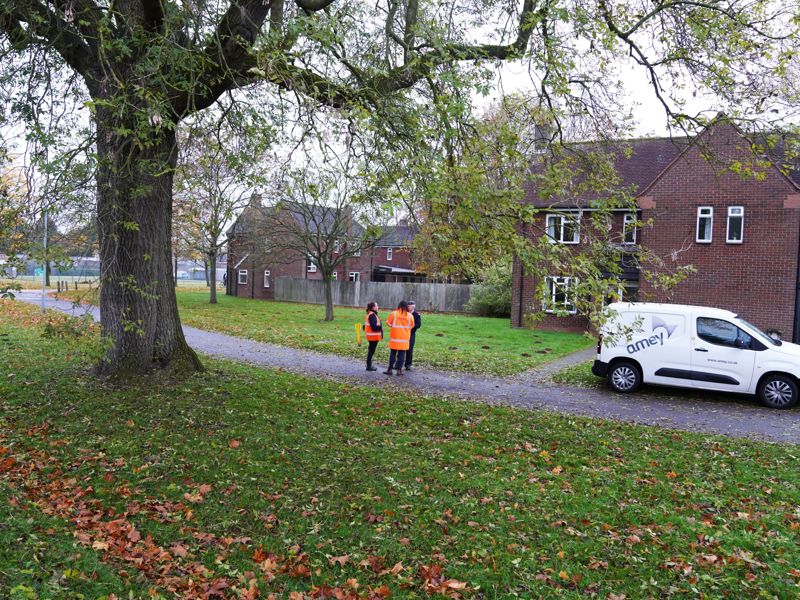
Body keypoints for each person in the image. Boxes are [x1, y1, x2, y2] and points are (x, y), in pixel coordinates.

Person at [384, 300, 414, 376]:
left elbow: (388, 323)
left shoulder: (393, 314)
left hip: (395, 338)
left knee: (393, 354)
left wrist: (392, 326)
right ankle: (399, 371)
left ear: (399, 305)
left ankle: (390, 370)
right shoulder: (410, 315)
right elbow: (412, 326)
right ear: (406, 306)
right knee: (402, 355)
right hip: (404, 339)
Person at [364, 301, 382, 371]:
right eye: (376, 306)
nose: (378, 307)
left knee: (371, 351)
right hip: (373, 337)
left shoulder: (370, 314)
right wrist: (380, 328)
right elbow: (374, 327)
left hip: (371, 336)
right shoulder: (372, 315)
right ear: (373, 307)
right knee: (371, 351)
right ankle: (369, 366)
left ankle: (369, 365)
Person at [404, 300, 421, 371]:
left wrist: (412, 327)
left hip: (411, 334)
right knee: (401, 348)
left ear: (413, 307)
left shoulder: (416, 314)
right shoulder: (404, 313)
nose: (408, 307)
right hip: (403, 333)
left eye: (409, 306)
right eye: (407, 306)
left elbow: (418, 324)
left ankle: (408, 364)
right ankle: (399, 363)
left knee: (409, 349)